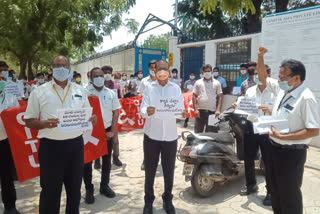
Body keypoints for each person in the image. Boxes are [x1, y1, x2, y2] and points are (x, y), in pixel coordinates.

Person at [24, 55, 97, 214]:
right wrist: (43, 124)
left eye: (64, 65)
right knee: (50, 192)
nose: (61, 69)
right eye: (57, 65)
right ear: (51, 68)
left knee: (74, 190)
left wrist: (92, 119)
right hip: (51, 147)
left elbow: (88, 115)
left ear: (69, 68)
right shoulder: (39, 91)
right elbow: (28, 121)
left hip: (75, 146)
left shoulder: (80, 90)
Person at [257, 47, 320, 214]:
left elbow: (313, 130)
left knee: (289, 195)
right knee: (276, 191)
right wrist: (260, 57)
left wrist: (284, 137)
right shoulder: (283, 91)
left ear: (296, 78)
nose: (279, 80)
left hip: (291, 154)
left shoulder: (306, 98)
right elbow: (262, 77)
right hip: (274, 149)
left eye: (283, 77)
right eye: (279, 77)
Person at [141, 60, 188, 214]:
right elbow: (142, 107)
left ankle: (167, 199)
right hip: (151, 135)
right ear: (154, 70)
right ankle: (148, 200)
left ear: (169, 70)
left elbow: (180, 109)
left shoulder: (175, 88)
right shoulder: (149, 87)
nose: (162, 71)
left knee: (169, 170)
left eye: (164, 69)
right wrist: (146, 111)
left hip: (170, 136)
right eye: (158, 69)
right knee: (150, 169)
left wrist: (183, 114)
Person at [237, 64, 274, 207]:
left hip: (267, 129)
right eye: (257, 74)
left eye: (262, 74)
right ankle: (251, 184)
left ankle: (270, 191)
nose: (259, 77)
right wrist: (238, 107)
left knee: (268, 161)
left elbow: (282, 112)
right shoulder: (250, 90)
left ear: (269, 76)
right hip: (251, 127)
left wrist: (270, 110)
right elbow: (244, 108)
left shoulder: (275, 91)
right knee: (248, 158)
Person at [83, 67, 121, 204]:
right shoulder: (84, 92)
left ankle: (104, 186)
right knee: (87, 162)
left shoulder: (111, 93)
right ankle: (89, 189)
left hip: (106, 131)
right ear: (91, 78)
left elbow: (116, 112)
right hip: (89, 133)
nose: (99, 77)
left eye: (101, 75)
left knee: (106, 160)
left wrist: (113, 130)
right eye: (96, 76)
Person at [0, 71, 21, 214]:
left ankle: (10, 206)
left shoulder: (11, 99)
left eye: (1, 78)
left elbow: (18, 121)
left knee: (6, 176)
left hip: (5, 143)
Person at [100, 66, 122, 167]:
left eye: (109, 72)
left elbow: (121, 99)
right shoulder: (98, 86)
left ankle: (116, 157)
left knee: (114, 139)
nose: (107, 74)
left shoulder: (116, 86)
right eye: (105, 72)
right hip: (100, 117)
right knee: (99, 139)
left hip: (113, 117)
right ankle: (97, 160)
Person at [137, 60, 157, 171]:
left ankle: (156, 159)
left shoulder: (162, 81)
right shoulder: (144, 81)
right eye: (152, 67)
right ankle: (146, 160)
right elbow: (139, 94)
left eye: (155, 67)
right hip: (147, 113)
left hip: (159, 114)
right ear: (149, 68)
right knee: (148, 137)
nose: (153, 69)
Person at [192, 64, 223, 133]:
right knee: (198, 132)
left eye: (209, 71)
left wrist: (218, 110)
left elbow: (220, 97)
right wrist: (195, 109)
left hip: (213, 112)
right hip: (200, 112)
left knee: (211, 133)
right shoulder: (198, 82)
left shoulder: (217, 83)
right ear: (203, 72)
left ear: (211, 71)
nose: (207, 73)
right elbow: (194, 96)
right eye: (205, 71)